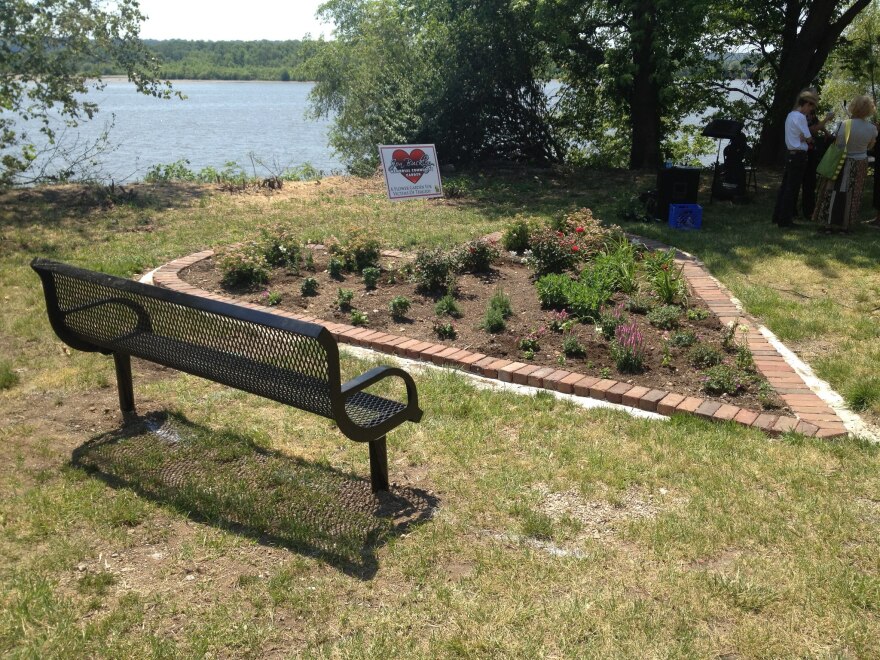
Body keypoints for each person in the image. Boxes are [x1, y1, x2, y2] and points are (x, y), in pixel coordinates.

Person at [813, 94, 878, 233]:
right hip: (860, 163)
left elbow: (838, 144)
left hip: (840, 161)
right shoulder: (872, 129)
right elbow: (869, 147)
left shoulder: (843, 124)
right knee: (853, 193)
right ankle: (845, 226)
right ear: (869, 110)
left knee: (832, 190)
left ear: (853, 107)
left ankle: (828, 225)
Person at [772, 90, 818, 227]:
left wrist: (803, 137)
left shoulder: (790, 115)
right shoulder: (801, 117)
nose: (810, 111)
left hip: (790, 153)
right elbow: (809, 137)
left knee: (785, 187)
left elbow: (799, 134)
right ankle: (785, 220)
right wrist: (808, 139)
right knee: (792, 188)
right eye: (810, 107)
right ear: (806, 104)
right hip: (799, 155)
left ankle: (777, 215)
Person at [800, 89, 834, 217]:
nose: (817, 100)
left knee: (810, 181)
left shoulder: (811, 111)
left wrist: (826, 132)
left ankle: (809, 210)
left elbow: (816, 123)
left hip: (811, 148)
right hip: (803, 149)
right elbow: (811, 130)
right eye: (815, 97)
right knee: (801, 180)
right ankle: (796, 210)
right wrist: (826, 119)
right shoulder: (801, 114)